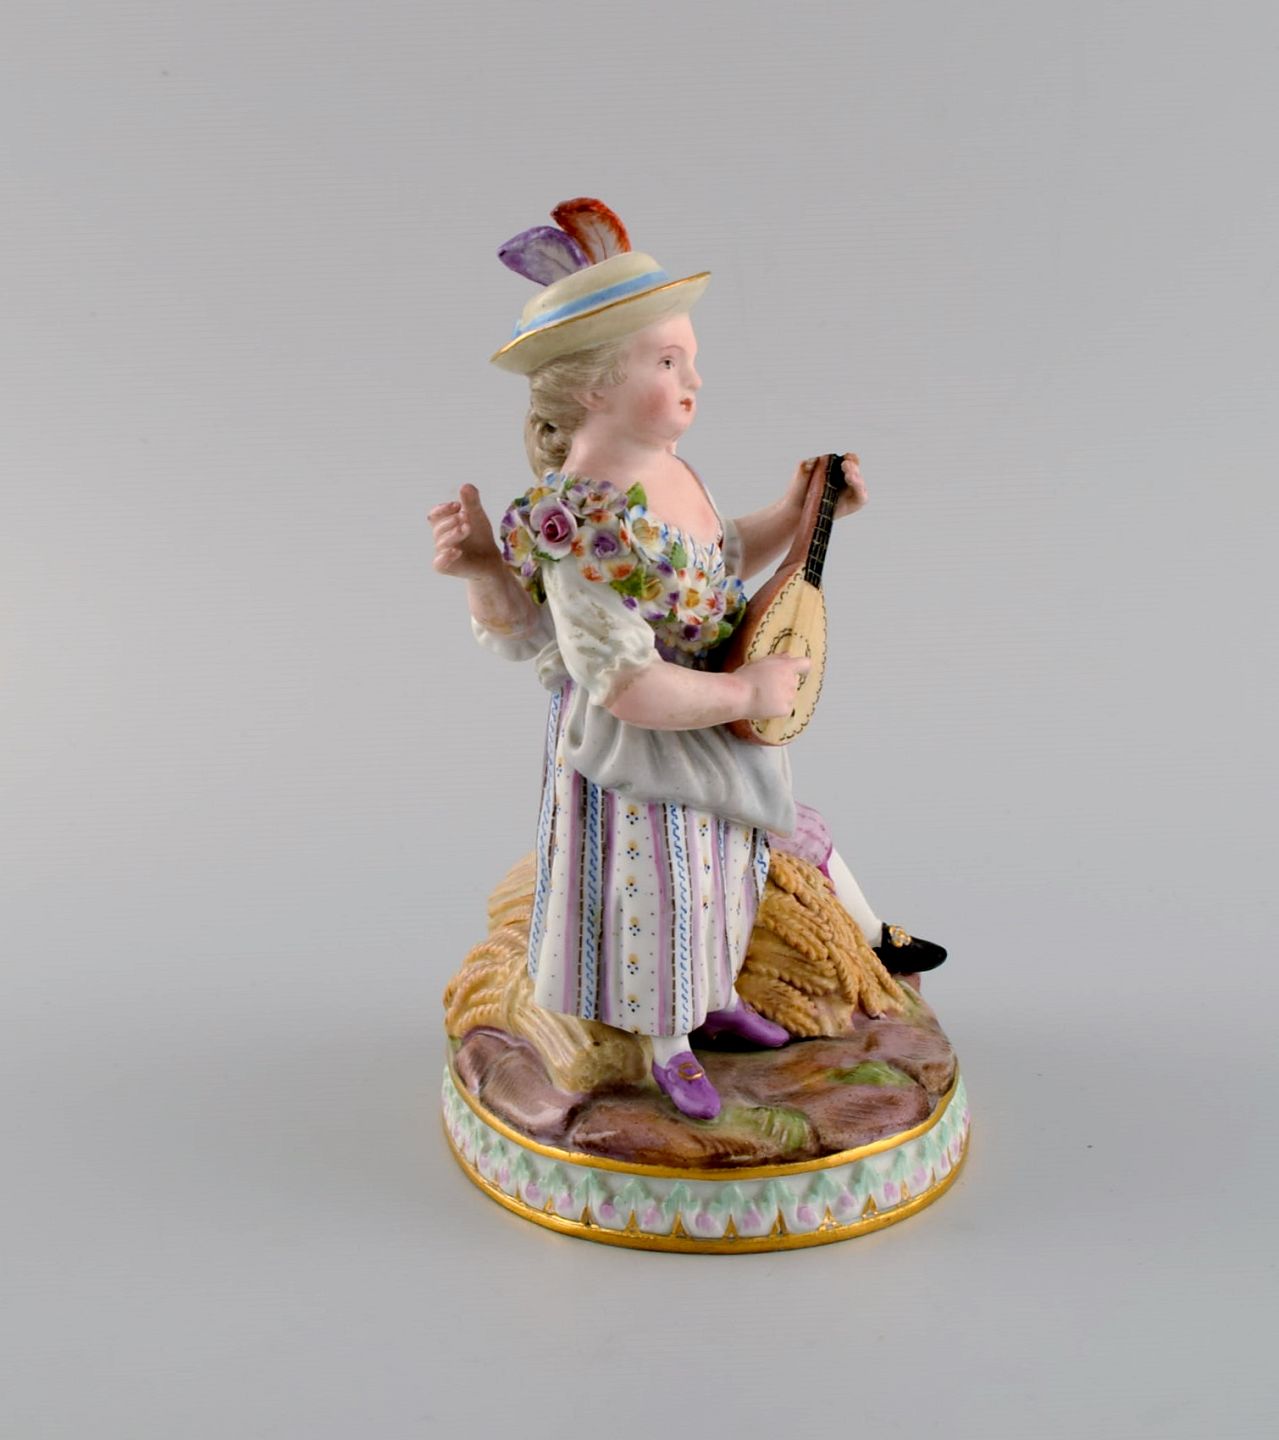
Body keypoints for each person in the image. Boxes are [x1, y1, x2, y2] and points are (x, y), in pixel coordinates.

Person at [431, 200, 943, 1120]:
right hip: (641, 749)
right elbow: (622, 683)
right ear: (595, 388)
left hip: (707, 711)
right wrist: (743, 688)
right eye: (667, 363)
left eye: (688, 360)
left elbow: (711, 563)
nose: (692, 381)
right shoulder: (577, 521)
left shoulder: (668, 473)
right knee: (661, 890)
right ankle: (667, 1043)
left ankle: (716, 997)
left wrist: (800, 513)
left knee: (727, 869)